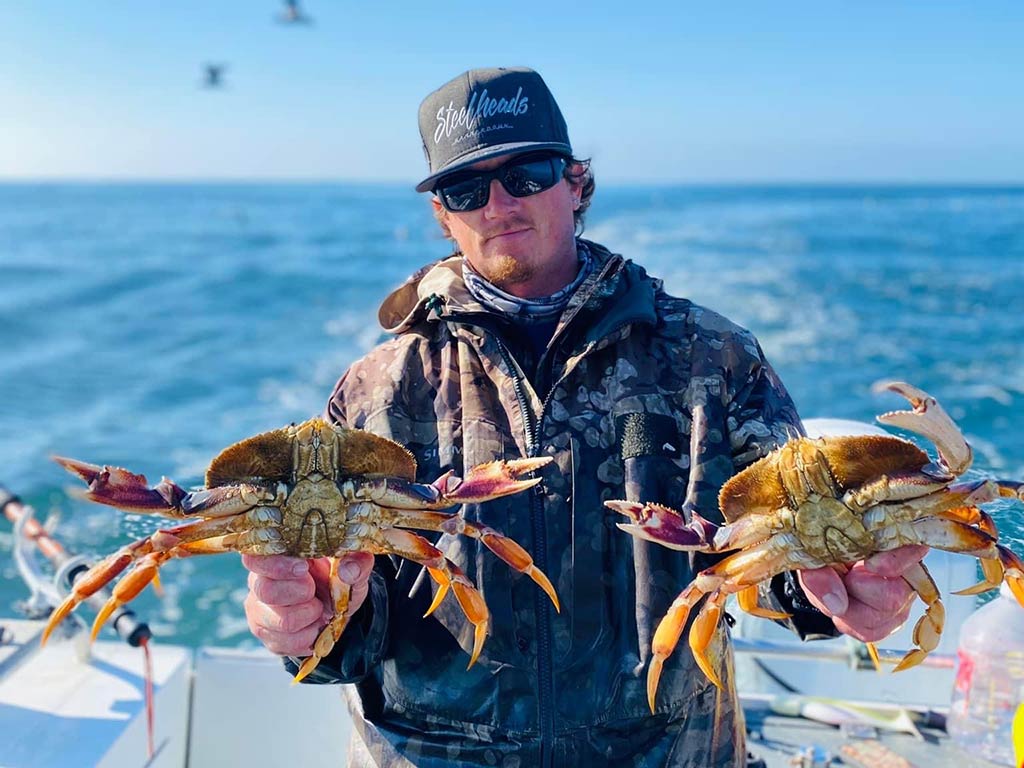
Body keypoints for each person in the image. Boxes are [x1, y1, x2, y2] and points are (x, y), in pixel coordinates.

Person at [241, 67, 925, 767]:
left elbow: (777, 545)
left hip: (670, 751)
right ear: (443, 214)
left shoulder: (712, 359)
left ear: (575, 182)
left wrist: (836, 595)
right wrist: (305, 621)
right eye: (465, 189)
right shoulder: (375, 391)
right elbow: (354, 619)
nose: (499, 203)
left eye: (528, 172)